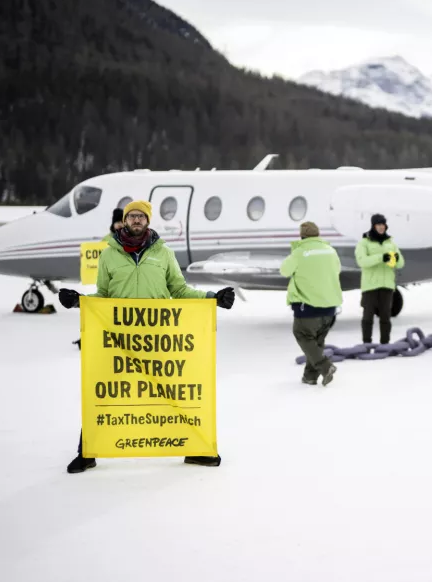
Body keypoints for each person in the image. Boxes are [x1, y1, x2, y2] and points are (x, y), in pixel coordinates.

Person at [57, 200, 236, 473]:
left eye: (141, 216)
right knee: (107, 393)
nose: (137, 220)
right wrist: (79, 301)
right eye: (132, 216)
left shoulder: (163, 253)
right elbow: (103, 297)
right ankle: (88, 451)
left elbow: (179, 290)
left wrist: (212, 299)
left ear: (148, 221)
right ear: (125, 221)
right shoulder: (109, 255)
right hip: (120, 341)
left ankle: (197, 449)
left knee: (172, 392)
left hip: (158, 340)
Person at [280, 221, 343, 386]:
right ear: (318, 234)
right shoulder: (330, 250)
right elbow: (337, 269)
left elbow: (284, 270)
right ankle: (310, 377)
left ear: (302, 235)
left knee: (303, 335)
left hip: (308, 307)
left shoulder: (300, 252)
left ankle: (325, 366)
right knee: (317, 343)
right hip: (330, 308)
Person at [73, 208, 125, 349]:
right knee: (101, 311)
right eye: (117, 222)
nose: (119, 225)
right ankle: (88, 337)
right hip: (107, 283)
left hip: (124, 284)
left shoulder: (130, 240)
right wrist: (85, 261)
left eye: (122, 221)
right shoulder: (106, 240)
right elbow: (96, 258)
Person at [354, 213, 404, 344]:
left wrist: (396, 259)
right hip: (370, 285)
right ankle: (366, 342)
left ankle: (385, 343)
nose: (382, 227)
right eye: (379, 225)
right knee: (367, 316)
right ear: (373, 226)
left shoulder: (390, 243)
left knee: (386, 317)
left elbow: (401, 263)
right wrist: (381, 258)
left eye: (383, 225)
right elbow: (362, 261)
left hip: (387, 285)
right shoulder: (364, 242)